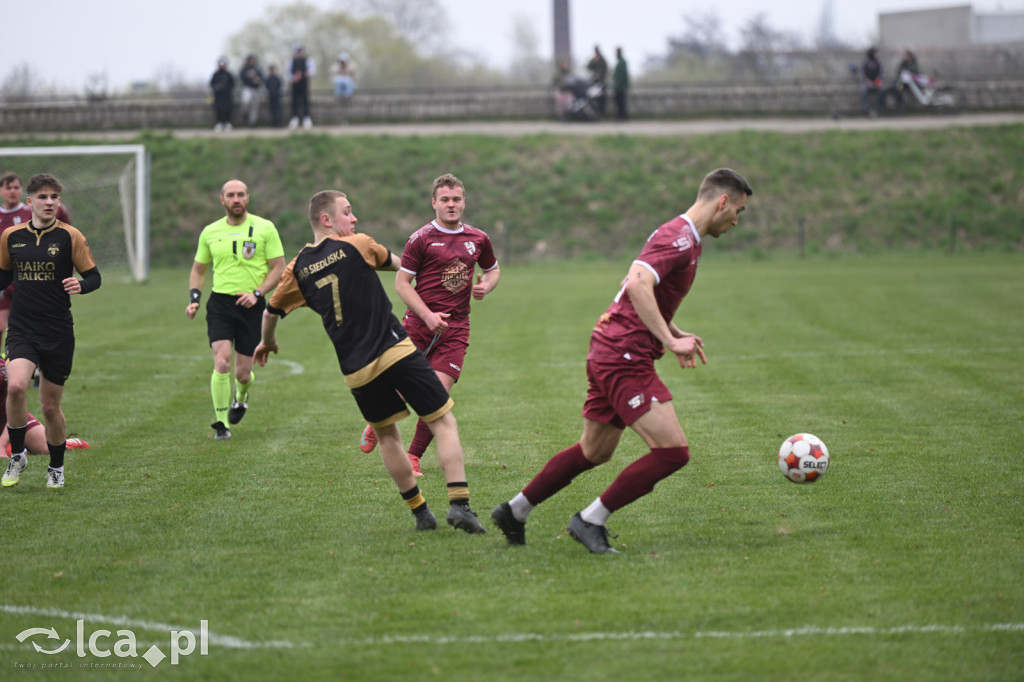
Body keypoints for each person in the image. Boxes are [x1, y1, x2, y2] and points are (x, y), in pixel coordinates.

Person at [491, 168, 753, 554]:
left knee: (594, 451)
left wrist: (673, 330)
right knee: (672, 452)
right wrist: (667, 339)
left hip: (610, 346)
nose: (736, 221)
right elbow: (636, 283)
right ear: (723, 201)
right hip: (623, 355)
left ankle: (514, 511)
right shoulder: (679, 238)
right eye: (739, 211)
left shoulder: (685, 238)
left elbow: (643, 292)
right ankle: (590, 519)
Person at [253, 189, 488, 535]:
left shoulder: (298, 268)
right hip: (395, 350)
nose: (355, 219)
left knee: (388, 436)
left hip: (356, 369)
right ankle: (460, 505)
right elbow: (403, 266)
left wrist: (267, 341)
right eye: (347, 212)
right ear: (327, 220)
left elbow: (272, 310)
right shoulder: (358, 244)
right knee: (443, 421)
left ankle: (420, 512)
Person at [359, 174, 500, 480]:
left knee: (436, 394)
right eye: (445, 200)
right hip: (419, 326)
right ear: (434, 203)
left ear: (464, 201)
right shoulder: (420, 238)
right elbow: (402, 283)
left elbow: (493, 269)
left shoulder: (478, 238)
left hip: (457, 328)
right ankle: (378, 420)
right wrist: (427, 316)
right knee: (403, 389)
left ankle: (413, 456)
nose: (452, 205)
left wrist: (486, 286)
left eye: (457, 199)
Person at [0, 173, 102, 489]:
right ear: (29, 201)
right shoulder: (12, 237)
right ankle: (18, 455)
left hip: (57, 331)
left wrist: (81, 285)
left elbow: (94, 276)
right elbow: (2, 280)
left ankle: (56, 468)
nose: (49, 202)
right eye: (42, 197)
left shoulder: (71, 237)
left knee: (49, 406)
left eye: (54, 197)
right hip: (21, 328)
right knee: (16, 387)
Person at [186, 179, 285, 440]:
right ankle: (221, 424)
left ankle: (241, 396)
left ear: (248, 198)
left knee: (242, 373)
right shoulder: (210, 231)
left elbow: (279, 267)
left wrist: (258, 293)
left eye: (241, 194)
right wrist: (194, 297)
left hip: (252, 306)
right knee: (221, 362)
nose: (236, 199)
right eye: (231, 195)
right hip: (220, 304)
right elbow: (198, 269)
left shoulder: (265, 228)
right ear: (222, 200)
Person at [0, 172, 70, 350]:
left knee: (37, 326)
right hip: (6, 279)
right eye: (8, 188)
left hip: (33, 278)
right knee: (1, 326)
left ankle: (35, 366)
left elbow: (64, 230)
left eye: (16, 187)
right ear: (1, 191)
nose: (13, 191)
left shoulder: (33, 211)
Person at [0, 358, 89, 457]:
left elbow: (15, 407)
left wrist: (2, 445)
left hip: (10, 417)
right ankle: (16, 446)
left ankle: (69, 442)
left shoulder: (3, 368)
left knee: (47, 448)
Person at [288, 45, 316, 130]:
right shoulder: (291, 61)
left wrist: (306, 74)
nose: (299, 53)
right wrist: (294, 78)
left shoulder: (308, 61)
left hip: (304, 83)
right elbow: (287, 73)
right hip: (295, 84)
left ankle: (306, 119)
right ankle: (294, 119)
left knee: (305, 101)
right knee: (294, 101)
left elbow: (313, 70)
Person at [239, 54, 264, 128]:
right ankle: (245, 113)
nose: (252, 61)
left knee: (255, 106)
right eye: (251, 60)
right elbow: (241, 76)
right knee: (246, 101)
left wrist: (259, 80)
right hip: (247, 88)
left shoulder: (257, 68)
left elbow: (262, 77)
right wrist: (248, 75)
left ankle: (252, 122)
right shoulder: (245, 68)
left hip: (255, 88)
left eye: (253, 60)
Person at [210, 57, 235, 132]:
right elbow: (212, 84)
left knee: (228, 109)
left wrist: (227, 88)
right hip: (218, 96)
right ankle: (219, 123)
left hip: (227, 96)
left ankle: (227, 123)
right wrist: (218, 87)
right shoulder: (215, 74)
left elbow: (233, 84)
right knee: (218, 110)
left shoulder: (228, 74)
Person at [860, 47, 883, 117]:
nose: (876, 54)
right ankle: (866, 108)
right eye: (874, 53)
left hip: (876, 82)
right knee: (864, 90)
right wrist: (868, 82)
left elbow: (881, 73)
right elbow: (862, 73)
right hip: (867, 82)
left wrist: (876, 81)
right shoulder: (865, 62)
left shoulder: (878, 62)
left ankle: (880, 107)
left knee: (882, 90)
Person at [587, 45, 608, 117]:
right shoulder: (593, 59)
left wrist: (599, 75)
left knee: (602, 98)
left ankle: (602, 113)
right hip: (594, 82)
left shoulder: (602, 60)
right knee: (593, 98)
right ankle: (595, 112)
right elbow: (588, 67)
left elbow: (605, 70)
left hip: (601, 81)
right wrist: (594, 61)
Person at [612, 47, 630, 121]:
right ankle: (620, 116)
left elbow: (622, 75)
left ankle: (622, 117)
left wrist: (617, 85)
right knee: (619, 102)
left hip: (620, 87)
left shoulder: (622, 62)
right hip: (618, 86)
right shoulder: (619, 61)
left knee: (621, 102)